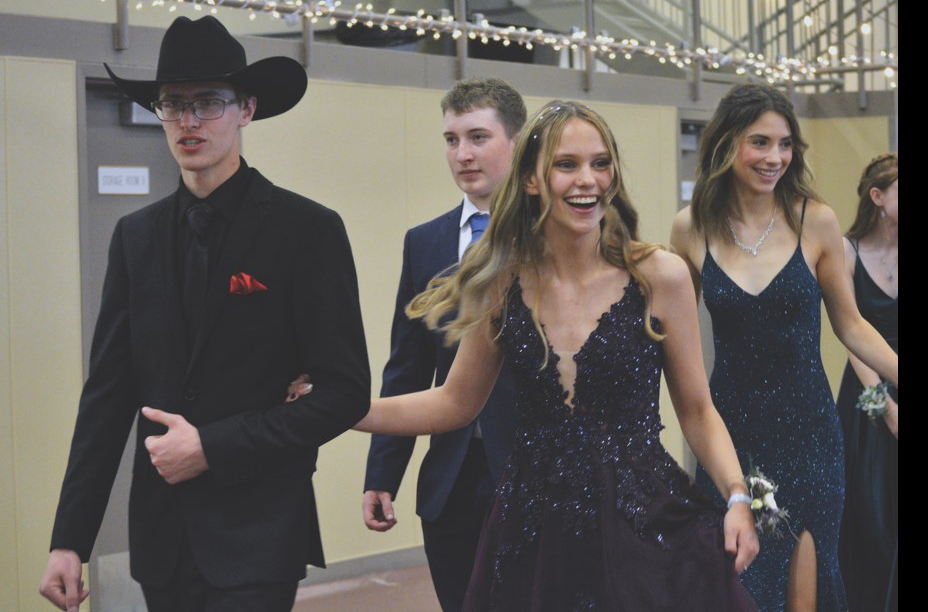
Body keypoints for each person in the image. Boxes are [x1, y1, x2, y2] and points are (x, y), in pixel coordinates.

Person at [352, 100, 759, 610]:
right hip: (533, 524)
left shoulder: (660, 275)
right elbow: (454, 402)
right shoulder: (500, 281)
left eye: (600, 163)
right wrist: (349, 410)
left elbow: (697, 410)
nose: (587, 179)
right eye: (566, 165)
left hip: (641, 517)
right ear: (530, 180)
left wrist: (737, 496)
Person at [38, 15, 370, 612]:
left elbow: (344, 392)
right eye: (173, 105)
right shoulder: (134, 237)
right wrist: (70, 540)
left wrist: (213, 446)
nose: (188, 121)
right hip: (163, 538)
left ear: (245, 110)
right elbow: (108, 396)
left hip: (258, 529)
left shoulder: (307, 230)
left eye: (208, 103)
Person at [669, 84, 898, 611]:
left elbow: (853, 326)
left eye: (785, 144)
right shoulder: (690, 228)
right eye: (760, 142)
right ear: (727, 144)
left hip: (810, 430)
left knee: (807, 582)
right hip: (731, 432)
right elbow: (669, 337)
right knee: (739, 581)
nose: (775, 157)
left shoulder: (813, 219)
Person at [362, 78, 523, 612]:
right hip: (450, 481)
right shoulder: (424, 241)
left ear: (517, 142)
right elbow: (405, 367)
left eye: (478, 136)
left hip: (534, 472)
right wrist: (383, 473)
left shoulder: (553, 236)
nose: (463, 154)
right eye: (452, 140)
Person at [835, 153, 897, 612]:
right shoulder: (846, 250)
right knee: (872, 516)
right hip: (867, 390)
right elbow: (852, 337)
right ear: (877, 198)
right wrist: (886, 406)